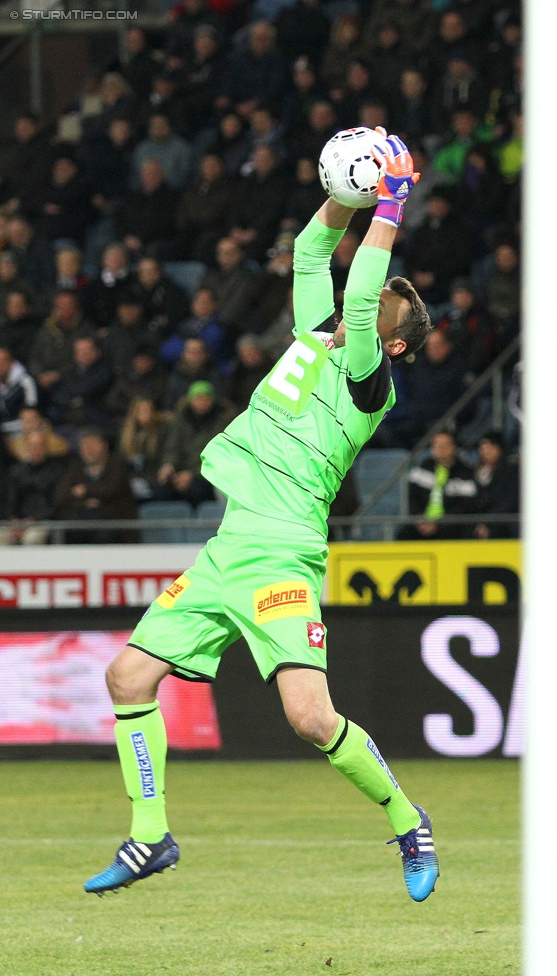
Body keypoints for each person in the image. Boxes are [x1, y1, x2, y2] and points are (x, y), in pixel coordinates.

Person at [84, 130, 439, 904]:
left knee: (310, 720)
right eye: (381, 289)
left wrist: (391, 199)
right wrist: (344, 198)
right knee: (127, 675)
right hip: (230, 547)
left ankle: (408, 820)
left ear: (396, 344)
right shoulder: (322, 335)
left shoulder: (366, 380)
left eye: (385, 302)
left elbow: (353, 282)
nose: (373, 297)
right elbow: (313, 255)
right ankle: (151, 836)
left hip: (282, 557)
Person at [153, 380, 234, 507]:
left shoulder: (222, 422)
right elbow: (172, 448)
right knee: (161, 491)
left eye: (205, 397)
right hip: (180, 472)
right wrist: (168, 465)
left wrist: (193, 474)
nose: (202, 401)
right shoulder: (180, 420)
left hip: (206, 474)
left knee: (197, 491)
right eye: (198, 398)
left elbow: (218, 454)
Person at [54, 428, 137, 543]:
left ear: (104, 445)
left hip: (114, 525)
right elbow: (62, 496)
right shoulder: (75, 469)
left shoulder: (118, 465)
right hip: (82, 523)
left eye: (92, 445)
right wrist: (83, 503)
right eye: (84, 446)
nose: (88, 450)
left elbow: (112, 489)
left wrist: (86, 490)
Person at [398, 428, 477, 540]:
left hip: (451, 525)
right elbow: (413, 498)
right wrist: (420, 519)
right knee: (403, 535)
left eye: (445, 445)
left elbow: (465, 506)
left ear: (454, 447)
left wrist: (439, 524)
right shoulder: (422, 469)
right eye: (436, 445)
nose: (440, 449)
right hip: (422, 523)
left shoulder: (465, 473)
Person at [0, 429, 68, 545]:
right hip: (17, 521)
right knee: (2, 537)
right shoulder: (16, 471)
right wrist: (13, 519)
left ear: (45, 447)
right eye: (32, 445)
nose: (35, 449)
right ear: (27, 447)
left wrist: (35, 519)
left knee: (32, 539)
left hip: (43, 520)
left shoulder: (57, 471)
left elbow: (56, 502)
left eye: (39, 445)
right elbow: (10, 498)